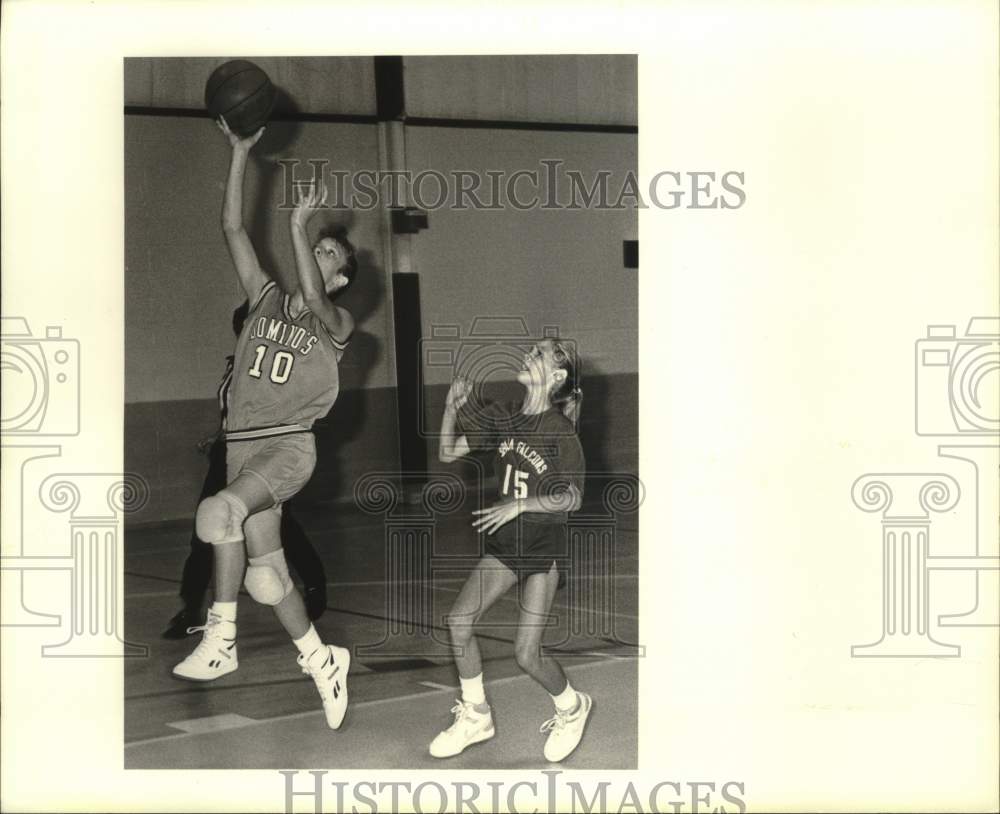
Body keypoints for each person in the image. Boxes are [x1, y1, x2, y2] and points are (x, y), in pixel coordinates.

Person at [172, 117, 357, 731]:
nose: (319, 257)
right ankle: (322, 659)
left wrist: (298, 226)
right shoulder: (264, 299)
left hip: (287, 448)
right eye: (319, 247)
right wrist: (239, 153)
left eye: (331, 255)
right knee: (268, 578)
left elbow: (310, 285)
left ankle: (220, 639)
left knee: (214, 515)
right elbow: (230, 228)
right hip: (241, 446)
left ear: (340, 278)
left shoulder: (337, 323)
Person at [430, 338, 592, 763]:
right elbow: (447, 452)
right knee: (458, 622)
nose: (529, 353)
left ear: (556, 377)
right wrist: (450, 409)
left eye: (540, 352)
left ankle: (572, 707)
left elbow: (572, 498)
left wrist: (521, 504)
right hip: (506, 545)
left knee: (526, 654)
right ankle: (476, 715)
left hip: (542, 547)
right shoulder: (503, 417)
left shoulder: (561, 432)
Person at [161, 301, 328, 640]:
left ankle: (315, 586)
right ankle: (192, 608)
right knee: (205, 528)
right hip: (230, 449)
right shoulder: (235, 365)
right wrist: (219, 435)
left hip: (269, 453)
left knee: (282, 530)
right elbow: (234, 410)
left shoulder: (281, 364)